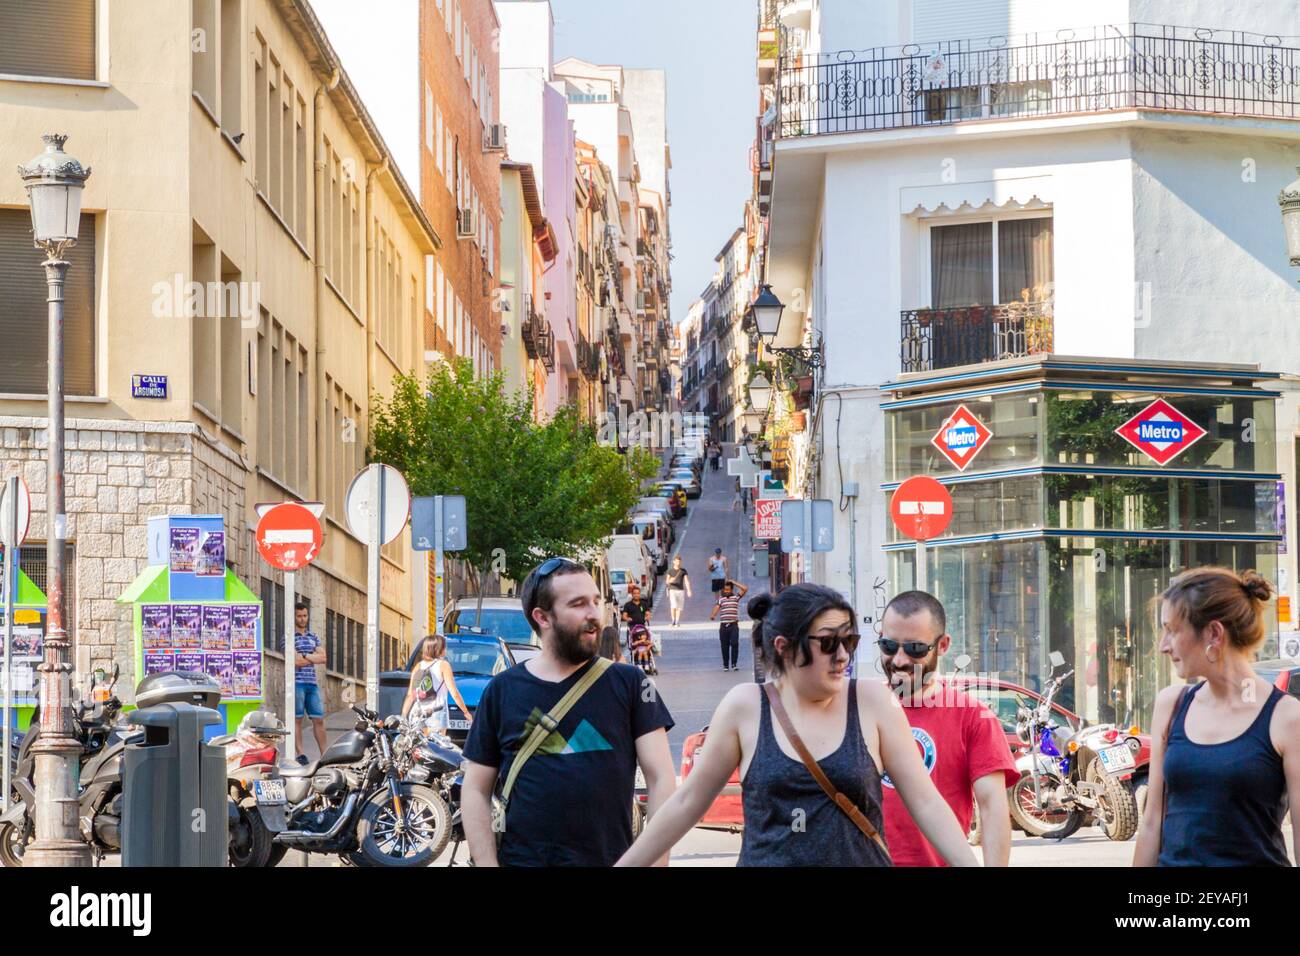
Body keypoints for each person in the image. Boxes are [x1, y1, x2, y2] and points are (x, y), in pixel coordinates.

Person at [617, 584, 977, 867]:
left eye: (849, 641)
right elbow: (686, 803)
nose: (843, 656)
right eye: (828, 643)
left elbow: (927, 803)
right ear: (784, 647)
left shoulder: (873, 703)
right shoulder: (746, 706)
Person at [460, 557, 677, 866]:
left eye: (596, 601)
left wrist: (657, 863)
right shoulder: (502, 690)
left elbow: (661, 780)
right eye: (578, 604)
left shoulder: (631, 684)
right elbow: (475, 789)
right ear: (543, 617)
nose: (594, 615)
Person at [1133, 567, 1300, 867]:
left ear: (1213, 633)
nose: (1163, 645)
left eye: (1172, 630)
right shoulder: (1171, 705)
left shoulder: (1286, 717)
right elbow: (1151, 824)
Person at [877, 591, 1018, 866]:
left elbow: (991, 808)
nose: (899, 660)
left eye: (915, 649)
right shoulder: (862, 709)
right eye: (889, 646)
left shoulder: (974, 717)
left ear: (942, 645)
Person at [400, 634, 472, 736]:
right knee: (436, 749)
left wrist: (403, 716)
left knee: (419, 749)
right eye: (444, 646)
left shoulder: (418, 666)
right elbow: (454, 693)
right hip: (436, 714)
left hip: (417, 713)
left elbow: (410, 695)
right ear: (438, 649)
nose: (445, 649)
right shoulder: (443, 665)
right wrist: (465, 712)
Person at [292, 602, 327, 764]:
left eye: (304, 616)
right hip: (297, 683)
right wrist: (312, 656)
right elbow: (295, 661)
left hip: (312, 684)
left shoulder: (314, 636)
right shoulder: (289, 637)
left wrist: (304, 655)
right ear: (294, 617)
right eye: (299, 616)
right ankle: (300, 754)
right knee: (297, 719)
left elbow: (323, 658)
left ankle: (325, 754)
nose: (302, 619)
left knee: (318, 719)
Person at [710, 579, 749, 671]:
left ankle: (734, 663)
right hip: (723, 626)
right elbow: (716, 607)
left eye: (728, 590)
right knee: (724, 645)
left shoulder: (736, 598)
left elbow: (745, 588)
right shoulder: (721, 599)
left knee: (735, 643)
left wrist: (733, 582)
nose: (726, 591)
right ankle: (726, 665)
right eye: (725, 590)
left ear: (731, 590)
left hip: (733, 625)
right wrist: (713, 615)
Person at [665, 555, 692, 627]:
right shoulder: (670, 570)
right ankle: (673, 620)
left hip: (681, 590)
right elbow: (667, 581)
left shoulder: (683, 571)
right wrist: (671, 580)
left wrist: (689, 590)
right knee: (673, 605)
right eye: (677, 561)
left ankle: (677, 621)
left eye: (679, 561)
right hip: (672, 590)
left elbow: (686, 581)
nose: (678, 563)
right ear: (674, 562)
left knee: (679, 607)